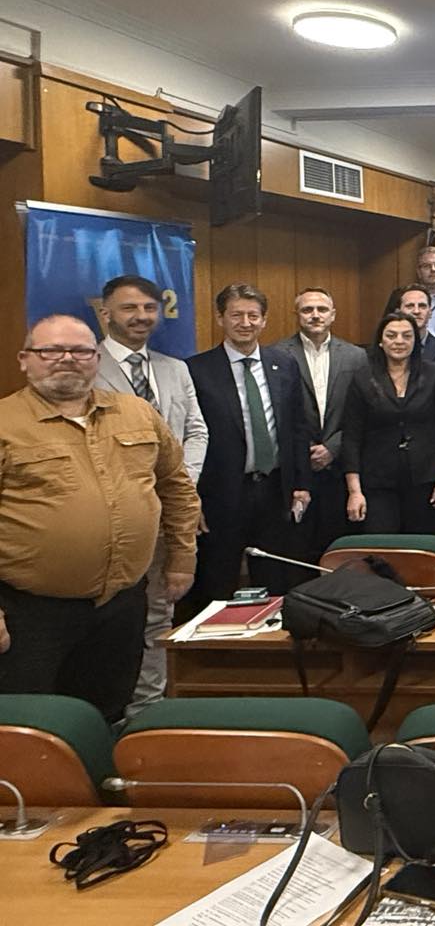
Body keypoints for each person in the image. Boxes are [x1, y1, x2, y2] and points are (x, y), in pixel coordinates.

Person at [0, 315, 201, 723]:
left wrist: (183, 559)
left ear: (97, 358)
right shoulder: (6, 422)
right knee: (32, 724)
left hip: (121, 604)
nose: (67, 359)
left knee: (107, 711)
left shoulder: (137, 413)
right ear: (25, 359)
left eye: (80, 351)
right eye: (51, 351)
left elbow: (177, 488)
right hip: (31, 612)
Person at [93, 275, 208, 715]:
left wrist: (181, 485)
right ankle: (108, 711)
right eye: (129, 308)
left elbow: (196, 431)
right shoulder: (87, 366)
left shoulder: (175, 368)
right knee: (113, 617)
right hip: (114, 515)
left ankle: (147, 710)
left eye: (148, 308)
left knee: (161, 612)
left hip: (170, 514)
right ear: (105, 313)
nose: (141, 316)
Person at [187, 284, 312, 600]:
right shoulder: (196, 370)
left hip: (274, 490)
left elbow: (297, 428)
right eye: (236, 315)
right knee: (218, 580)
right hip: (221, 494)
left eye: (253, 316)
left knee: (276, 579)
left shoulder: (284, 363)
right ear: (220, 318)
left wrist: (301, 484)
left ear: (264, 320)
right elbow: (188, 437)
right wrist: (192, 498)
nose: (245, 323)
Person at [275, 287, 368, 559]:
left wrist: (332, 448)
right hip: (296, 467)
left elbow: (361, 412)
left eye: (322, 309)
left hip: (341, 467)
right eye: (307, 310)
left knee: (339, 548)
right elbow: (279, 413)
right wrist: (304, 448)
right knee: (297, 547)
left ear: (333, 314)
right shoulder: (277, 355)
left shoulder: (356, 356)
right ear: (296, 314)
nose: (315, 315)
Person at [343, 313, 435, 534]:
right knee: (382, 547)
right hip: (377, 481)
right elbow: (352, 436)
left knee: (422, 546)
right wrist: (354, 491)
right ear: (380, 341)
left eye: (407, 336)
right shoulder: (362, 378)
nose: (399, 341)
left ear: (415, 340)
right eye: (391, 335)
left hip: (426, 479)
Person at [396, 283, 435, 363]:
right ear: (398, 312)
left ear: (430, 312)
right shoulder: (389, 347)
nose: (416, 311)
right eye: (410, 306)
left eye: (422, 306)